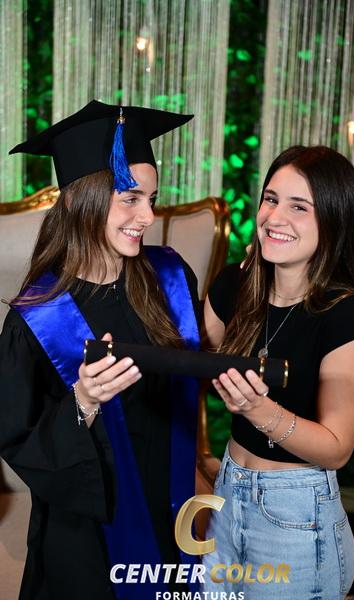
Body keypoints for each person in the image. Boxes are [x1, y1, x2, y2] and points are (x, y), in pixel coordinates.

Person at [0, 100, 200, 600]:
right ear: (76, 200)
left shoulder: (171, 279)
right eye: (130, 198)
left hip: (172, 507)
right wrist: (83, 402)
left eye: (152, 198)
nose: (148, 216)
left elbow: (202, 364)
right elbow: (17, 438)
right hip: (87, 536)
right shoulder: (37, 317)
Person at [202, 145, 354, 599]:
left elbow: (336, 449)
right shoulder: (234, 287)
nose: (274, 217)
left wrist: (257, 410)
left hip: (296, 515)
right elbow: (194, 363)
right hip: (227, 493)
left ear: (334, 220)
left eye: (299, 207)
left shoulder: (345, 316)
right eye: (271, 199)